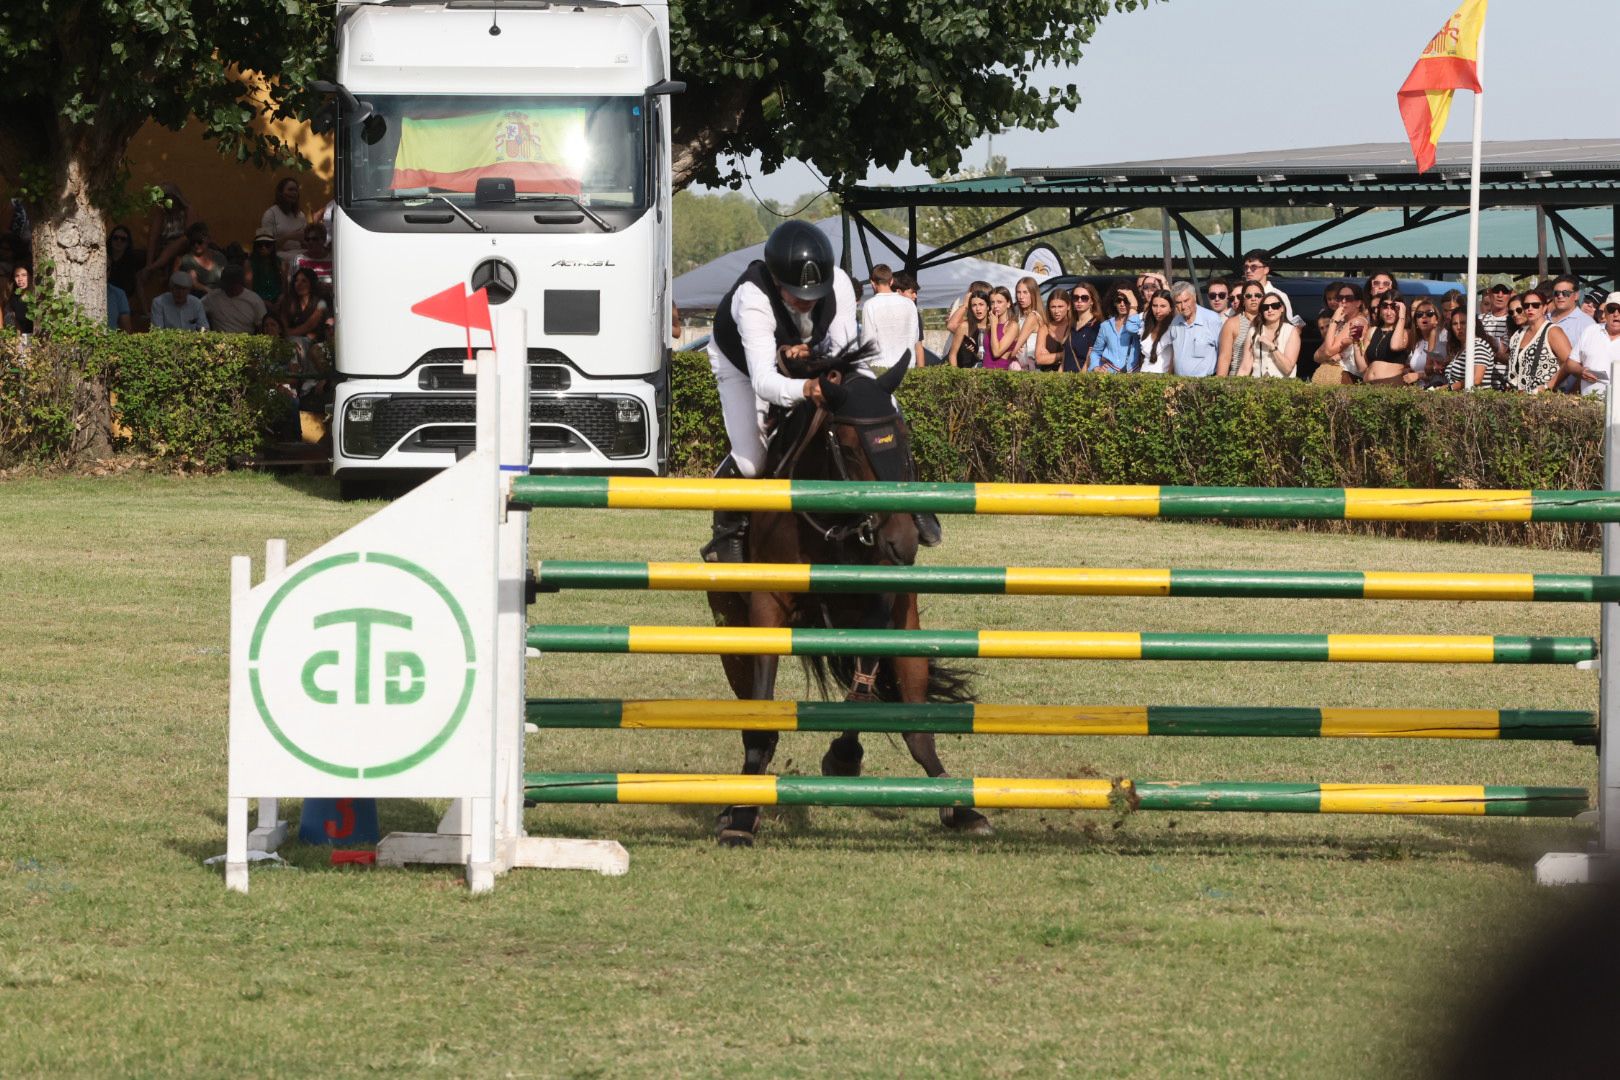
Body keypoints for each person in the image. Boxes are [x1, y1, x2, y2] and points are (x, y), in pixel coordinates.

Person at [705, 221, 932, 559]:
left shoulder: (837, 284)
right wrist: (808, 387)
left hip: (810, 359)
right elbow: (764, 382)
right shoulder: (753, 299)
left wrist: (830, 375)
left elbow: (845, 354)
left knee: (886, 404)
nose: (806, 303)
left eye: (813, 295)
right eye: (797, 296)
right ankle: (727, 530)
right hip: (741, 365)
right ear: (778, 281)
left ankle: (913, 503)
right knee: (752, 461)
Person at [1505, 288, 1571, 393]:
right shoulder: (1517, 335)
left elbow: (1569, 362)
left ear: (1544, 308)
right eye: (1526, 306)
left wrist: (1547, 386)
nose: (1530, 309)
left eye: (1535, 305)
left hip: (1544, 400)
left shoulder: (1552, 331)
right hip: (1516, 399)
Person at [859, 263, 922, 370]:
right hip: (907, 367)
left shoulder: (870, 305)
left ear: (872, 283)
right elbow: (915, 338)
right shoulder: (909, 304)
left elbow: (868, 341)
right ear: (891, 281)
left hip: (881, 368)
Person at [1544, 275, 1596, 392]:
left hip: (1568, 394)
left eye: (1566, 293)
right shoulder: (1543, 319)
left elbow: (1588, 365)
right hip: (1539, 392)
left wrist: (1573, 394)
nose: (1560, 296)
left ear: (1576, 296)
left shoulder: (1587, 324)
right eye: (1556, 293)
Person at [1563, 292, 1620, 397]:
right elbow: (1570, 363)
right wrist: (1581, 371)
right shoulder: (1591, 330)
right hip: (1589, 404)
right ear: (1605, 312)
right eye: (1612, 309)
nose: (1616, 314)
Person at [1166, 281, 1223, 377]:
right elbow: (1174, 355)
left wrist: (1220, 382)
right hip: (1179, 383)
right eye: (1178, 303)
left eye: (1186, 300)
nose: (1183, 306)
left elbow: (1223, 354)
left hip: (1206, 383)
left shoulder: (1211, 319)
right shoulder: (1175, 322)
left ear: (1194, 298)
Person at [1315, 283, 1369, 385]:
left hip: (1347, 378)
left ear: (1358, 303)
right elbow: (1316, 356)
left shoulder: (1357, 322)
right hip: (1331, 377)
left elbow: (1327, 351)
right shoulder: (1342, 323)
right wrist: (1329, 356)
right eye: (1339, 298)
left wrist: (1333, 321)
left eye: (1348, 298)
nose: (1343, 302)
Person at [1238, 293, 1299, 378]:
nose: (1270, 310)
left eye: (1275, 306)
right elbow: (1245, 367)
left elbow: (1288, 369)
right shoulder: (1253, 331)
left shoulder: (1291, 331)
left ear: (1282, 308)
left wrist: (1272, 346)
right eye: (1265, 307)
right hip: (1257, 386)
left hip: (1284, 387)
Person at [1443, 310, 1502, 391]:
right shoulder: (1461, 348)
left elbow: (1476, 379)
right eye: (1455, 324)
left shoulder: (1479, 346)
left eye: (1463, 323)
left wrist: (1449, 388)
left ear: (1473, 324)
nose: (1459, 327)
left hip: (1475, 400)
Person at [1360, 295, 1414, 384]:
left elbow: (1395, 346)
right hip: (1367, 385)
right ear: (1380, 310)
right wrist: (1355, 343)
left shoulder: (1407, 332)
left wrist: (1402, 317)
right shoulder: (1372, 330)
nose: (1389, 313)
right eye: (1385, 307)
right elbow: (1361, 367)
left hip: (1391, 386)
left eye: (1394, 308)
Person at [1241, 248, 1302, 326]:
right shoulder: (1239, 294)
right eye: (1246, 267)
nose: (1248, 271)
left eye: (1253, 267)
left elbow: (1287, 327)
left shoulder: (1280, 296)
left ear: (1266, 270)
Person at [1089, 284, 1142, 372]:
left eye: (1126, 300)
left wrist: (1133, 305)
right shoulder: (1106, 325)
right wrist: (1096, 367)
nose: (1122, 304)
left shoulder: (1139, 322)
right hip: (1108, 375)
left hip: (1131, 375)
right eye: (1118, 300)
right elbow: (1096, 352)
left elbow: (1132, 329)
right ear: (1114, 302)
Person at [203, 263, 269, 334]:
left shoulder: (254, 300)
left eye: (231, 286)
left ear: (239, 284)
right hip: (220, 341)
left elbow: (262, 325)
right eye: (226, 285)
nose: (227, 289)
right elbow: (196, 307)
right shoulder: (213, 297)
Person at [1216, 282, 1264, 375]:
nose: (1253, 299)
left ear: (1263, 298)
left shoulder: (1269, 321)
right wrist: (1221, 386)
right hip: (1237, 381)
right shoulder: (1232, 323)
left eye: (1257, 295)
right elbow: (1224, 358)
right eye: (1249, 296)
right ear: (1243, 299)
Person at [261, 177, 308, 257]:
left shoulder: (301, 216)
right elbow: (265, 248)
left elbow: (307, 244)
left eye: (296, 190)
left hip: (300, 258)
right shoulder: (270, 214)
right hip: (279, 259)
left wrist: (306, 241)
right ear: (281, 193)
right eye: (290, 189)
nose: (294, 193)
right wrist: (288, 237)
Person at [174, 222, 224, 295]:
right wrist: (211, 292)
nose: (196, 245)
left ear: (208, 239)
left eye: (199, 241)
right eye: (192, 242)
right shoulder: (186, 260)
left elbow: (226, 279)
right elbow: (193, 284)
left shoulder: (219, 257)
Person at [1066, 282, 1103, 372]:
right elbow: (1066, 357)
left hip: (1082, 380)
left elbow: (1089, 359)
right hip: (1065, 379)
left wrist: (1080, 381)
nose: (1079, 301)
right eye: (1075, 298)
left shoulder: (1097, 325)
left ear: (1092, 301)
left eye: (1084, 298)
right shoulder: (1071, 324)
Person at [982, 286, 1022, 369]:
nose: (995, 306)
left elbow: (996, 352)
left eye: (999, 302)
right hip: (984, 371)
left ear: (1008, 303)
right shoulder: (991, 324)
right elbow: (987, 352)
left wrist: (993, 326)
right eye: (992, 302)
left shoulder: (1012, 325)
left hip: (1000, 373)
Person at [946, 290, 988, 368]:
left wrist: (975, 350)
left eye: (981, 304)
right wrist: (956, 374)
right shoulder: (965, 326)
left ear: (988, 307)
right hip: (965, 371)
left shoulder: (993, 326)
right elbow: (952, 354)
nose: (978, 308)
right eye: (974, 305)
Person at [1407, 299, 1447, 382]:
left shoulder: (1443, 339)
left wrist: (1419, 375)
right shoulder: (1417, 342)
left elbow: (1444, 372)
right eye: (1419, 314)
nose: (1424, 316)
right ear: (1416, 322)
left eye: (1429, 313)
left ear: (1437, 319)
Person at [1033, 290, 1072, 373]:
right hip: (1048, 375)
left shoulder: (1074, 326)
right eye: (1053, 307)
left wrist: (1049, 357)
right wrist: (1063, 354)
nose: (1056, 311)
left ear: (1068, 306)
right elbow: (1039, 359)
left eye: (1060, 306)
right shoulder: (1044, 328)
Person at [291, 221, 334, 297]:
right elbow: (294, 287)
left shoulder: (333, 260)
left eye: (315, 239)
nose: (310, 242)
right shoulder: (298, 260)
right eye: (307, 239)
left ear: (323, 240)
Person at [1012, 276, 1046, 369]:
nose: (1021, 296)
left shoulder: (1033, 316)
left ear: (1033, 294)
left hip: (1029, 367)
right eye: (1018, 292)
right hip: (1020, 364)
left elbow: (1017, 345)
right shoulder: (1019, 316)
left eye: (1025, 292)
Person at [1137, 292, 1175, 375]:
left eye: (1163, 306)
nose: (1158, 311)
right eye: (1154, 306)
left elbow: (1175, 360)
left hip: (1163, 378)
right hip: (1142, 375)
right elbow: (1129, 325)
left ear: (1171, 308)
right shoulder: (1145, 325)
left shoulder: (1174, 328)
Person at [106, 225, 143, 302]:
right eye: (116, 238)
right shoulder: (102, 257)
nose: (119, 241)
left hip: (123, 300)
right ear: (111, 240)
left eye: (123, 239)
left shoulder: (132, 261)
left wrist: (146, 311)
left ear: (127, 243)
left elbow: (138, 285)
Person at [249, 232, 284, 307]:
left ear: (273, 246)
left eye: (267, 244)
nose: (263, 247)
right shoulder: (249, 264)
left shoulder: (279, 262)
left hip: (278, 301)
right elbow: (249, 291)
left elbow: (284, 287)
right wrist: (265, 302)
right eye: (260, 245)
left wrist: (280, 299)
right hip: (257, 302)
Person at [1479, 281, 1513, 348]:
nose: (1500, 295)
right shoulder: (1479, 320)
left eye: (1505, 291)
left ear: (1510, 294)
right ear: (1489, 292)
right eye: (1496, 290)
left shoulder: (1515, 320)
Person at [8, 264, 34, 334]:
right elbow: (17, 325)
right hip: (24, 339)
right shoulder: (14, 298)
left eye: (24, 275)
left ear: (31, 276)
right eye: (17, 276)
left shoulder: (37, 297)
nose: (20, 279)